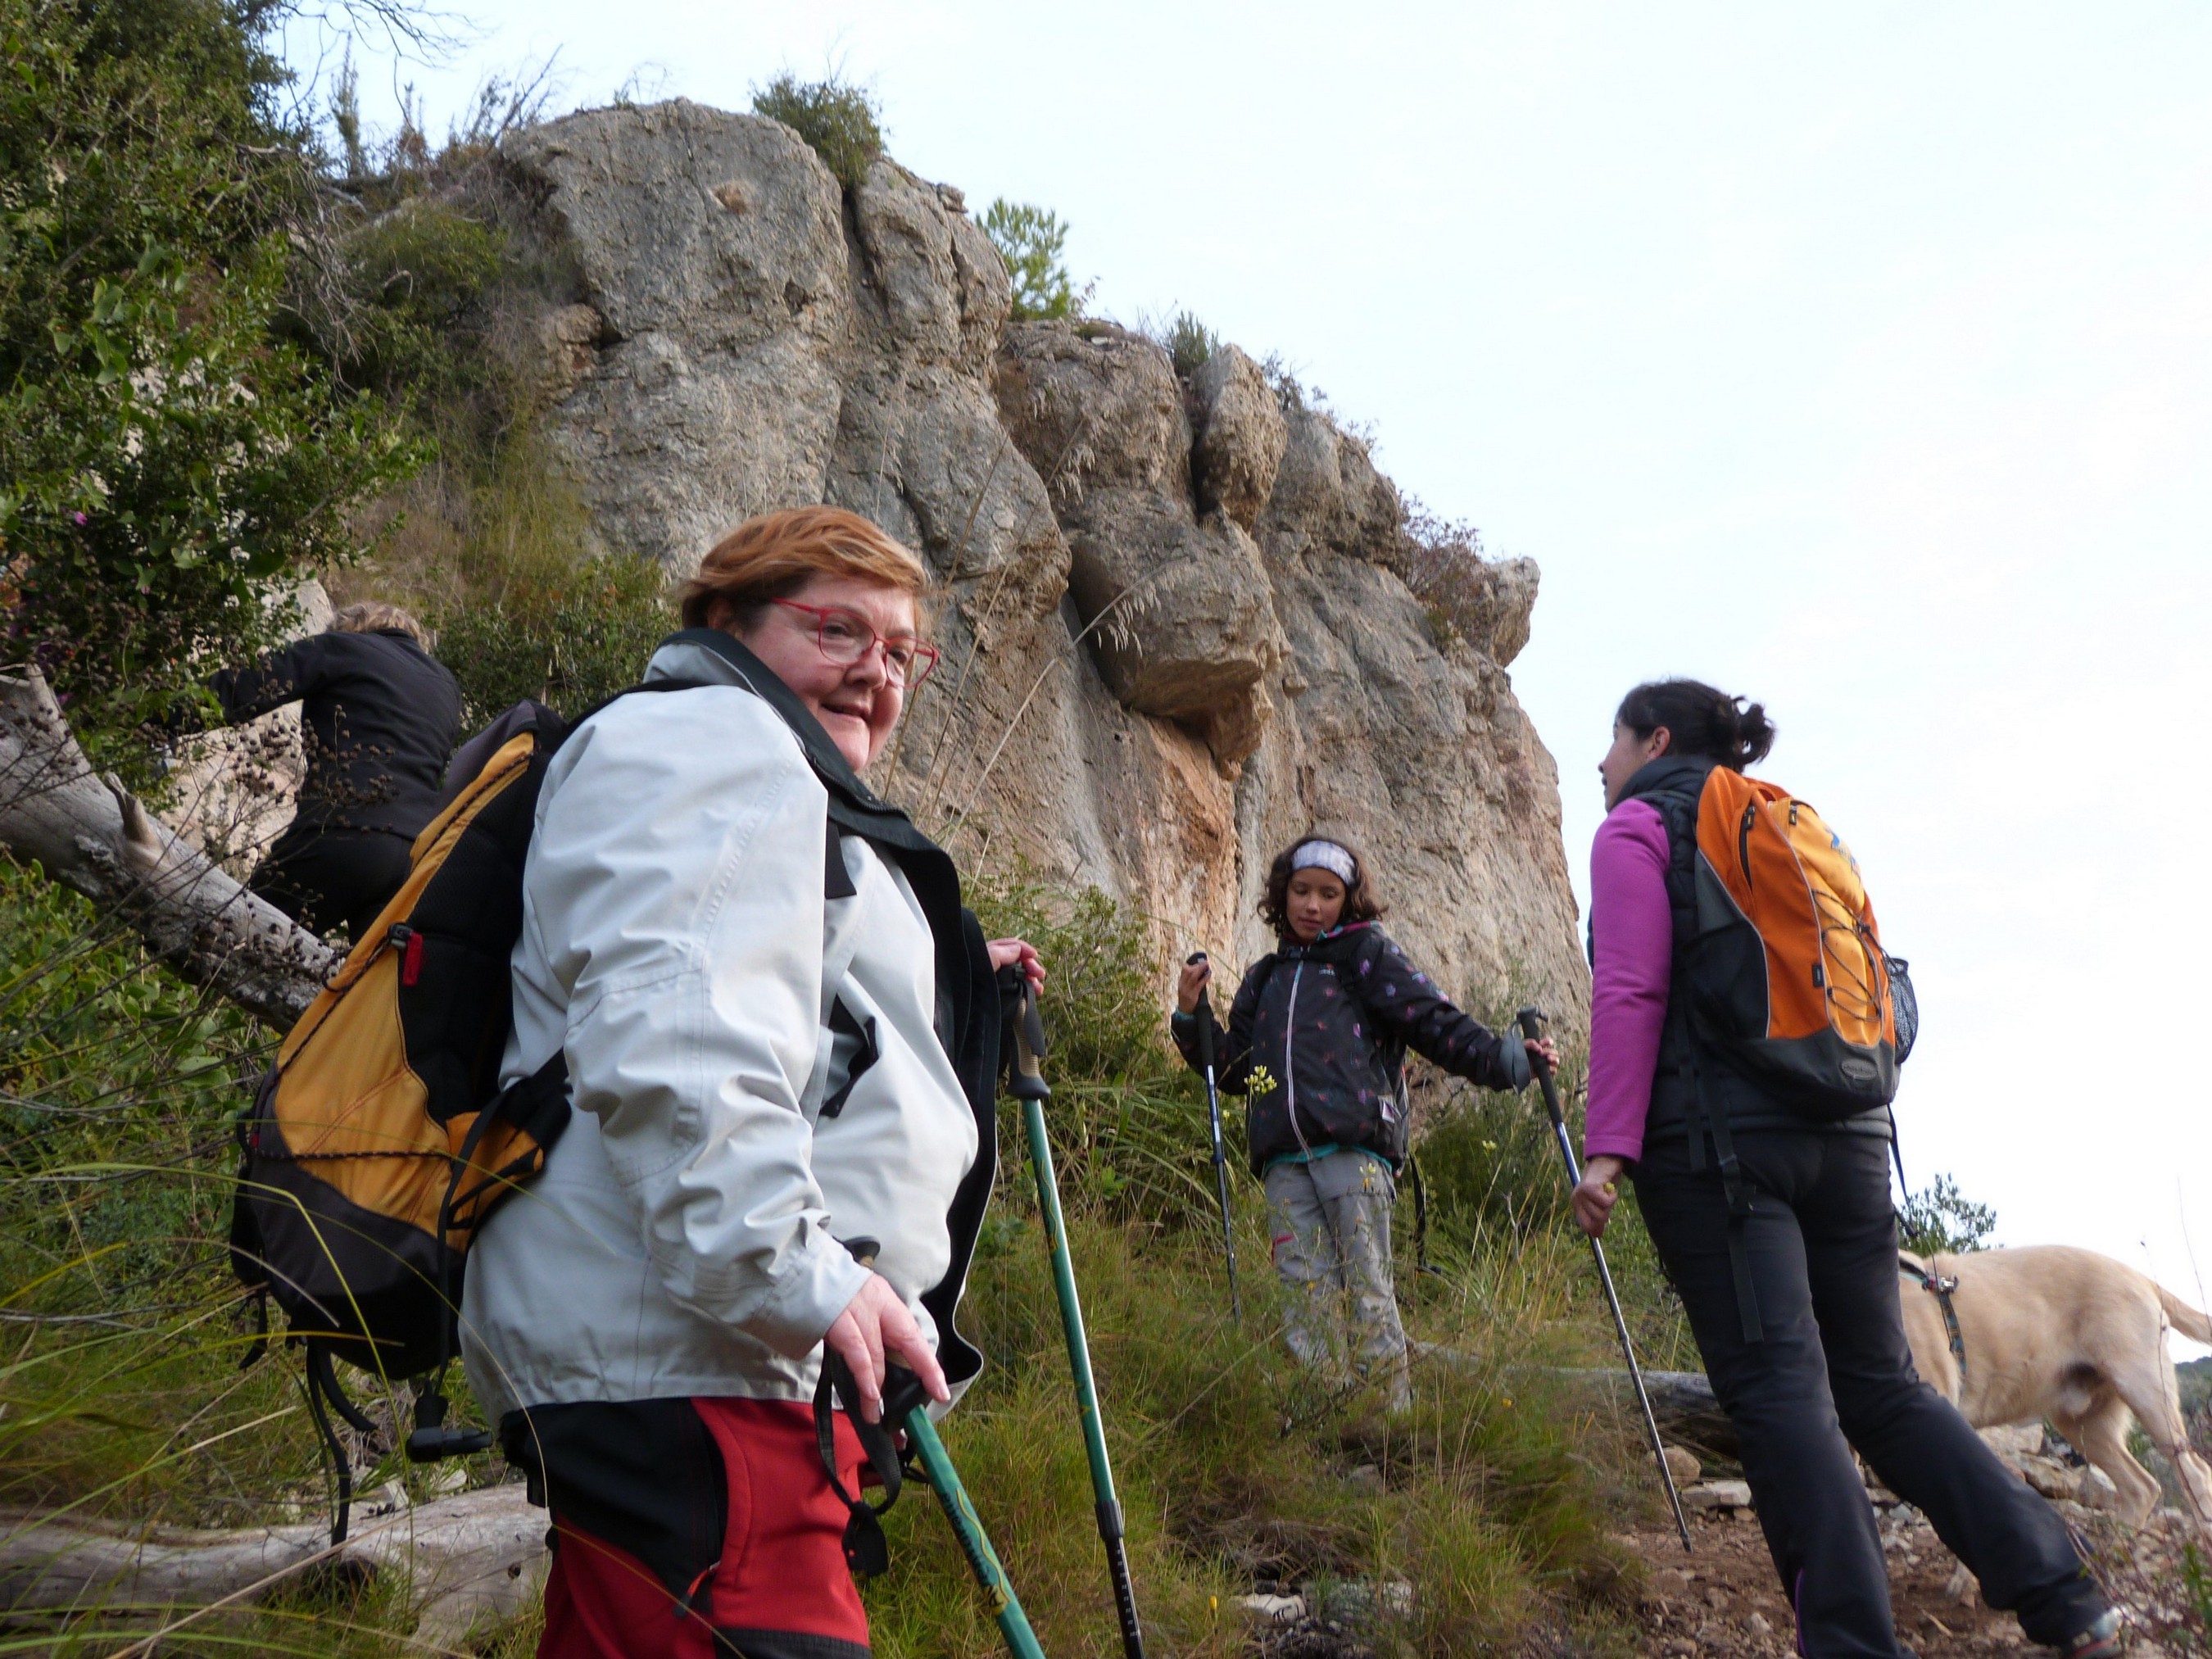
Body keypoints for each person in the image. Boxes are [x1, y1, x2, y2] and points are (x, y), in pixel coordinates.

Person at [460, 506, 1041, 1659]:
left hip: (704, 1357)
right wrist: (796, 1273)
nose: (876, 672)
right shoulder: (717, 735)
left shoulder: (769, 776)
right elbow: (681, 1031)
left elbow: (757, 984)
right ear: (728, 623)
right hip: (703, 1362)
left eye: (901, 653)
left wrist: (952, 971)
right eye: (839, 631)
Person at [1575, 678, 2116, 1659]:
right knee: (1884, 1388)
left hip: (1722, 1153)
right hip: (1854, 1136)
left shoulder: (1636, 829)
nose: (1600, 764)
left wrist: (1608, 1149)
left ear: (1654, 741)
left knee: (1779, 1396)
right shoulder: (1794, 826)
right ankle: (2066, 1595)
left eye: (1611, 742)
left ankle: (1851, 1645)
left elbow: (1629, 988)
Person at [1170, 836, 1554, 1409]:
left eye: (1329, 894)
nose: (1312, 905)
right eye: (1302, 891)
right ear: (1282, 894)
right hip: (1283, 1164)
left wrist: (1506, 1060)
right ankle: (1325, 1427)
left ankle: (1388, 1424)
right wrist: (1189, 1015)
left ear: (1348, 900)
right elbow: (1236, 1071)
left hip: (1355, 1153)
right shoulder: (1263, 977)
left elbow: (1432, 1019)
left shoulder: (1364, 955)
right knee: (1304, 1299)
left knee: (1367, 1290)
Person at [206, 601, 461, 941]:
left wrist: (156, 712)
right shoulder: (446, 686)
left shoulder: (345, 647)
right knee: (362, 975)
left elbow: (249, 686)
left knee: (233, 939)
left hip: (343, 832)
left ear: (351, 626)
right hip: (415, 856)